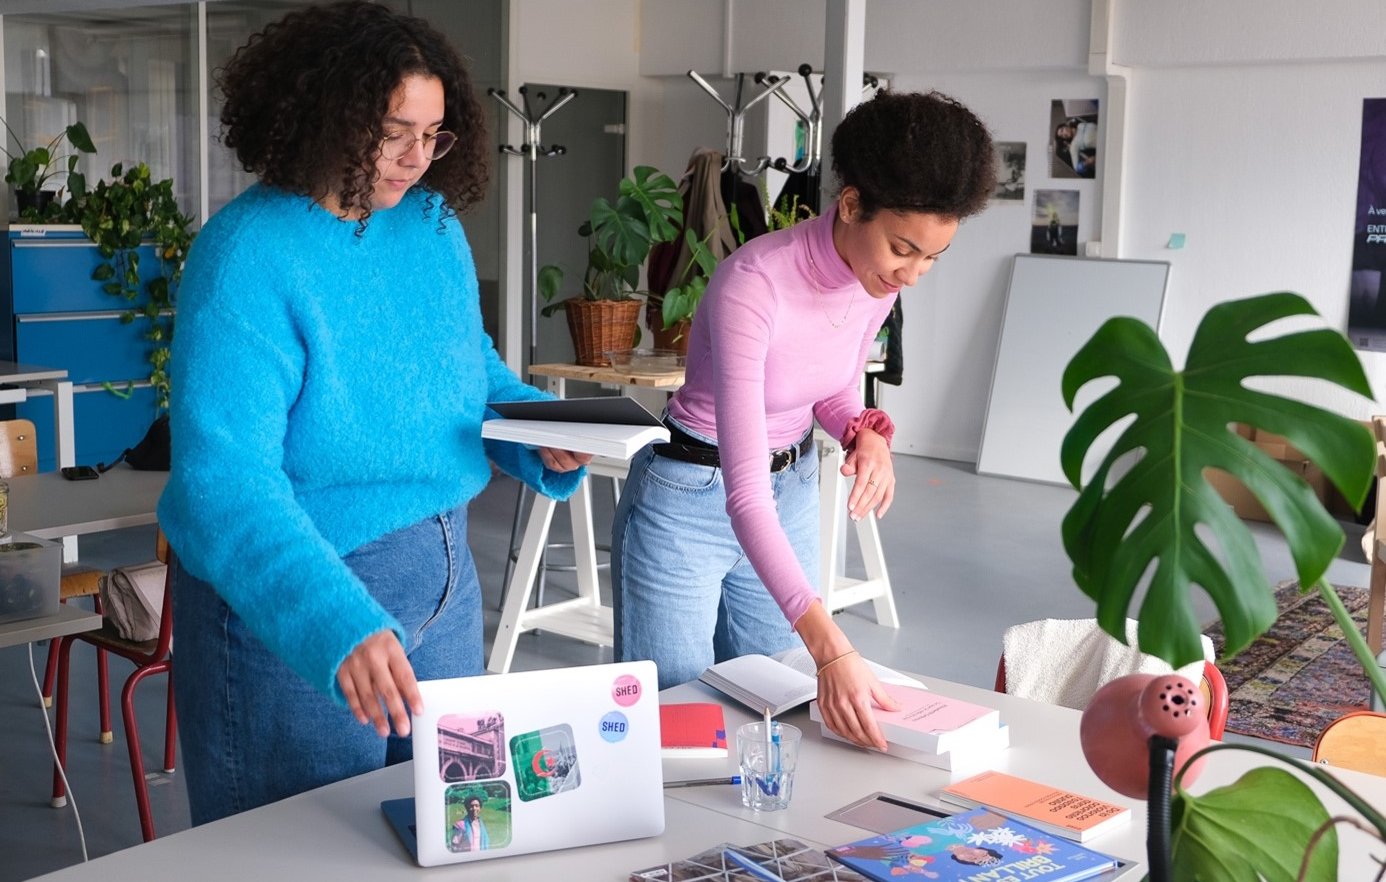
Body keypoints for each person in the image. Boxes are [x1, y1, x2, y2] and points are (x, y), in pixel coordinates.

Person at [158, 1, 590, 825]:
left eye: (435, 135)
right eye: (395, 131)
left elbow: (470, 371)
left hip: (447, 584)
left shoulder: (429, 225)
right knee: (303, 852)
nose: (417, 158)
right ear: (328, 115)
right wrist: (336, 619)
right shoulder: (245, 257)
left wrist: (540, 428)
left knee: (456, 828)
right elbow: (222, 487)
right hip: (300, 599)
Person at [611, 91, 995, 749]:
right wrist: (832, 645)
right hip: (691, 503)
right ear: (850, 205)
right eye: (904, 248)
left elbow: (830, 385)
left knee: (777, 716)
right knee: (673, 725)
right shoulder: (752, 285)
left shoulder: (874, 280)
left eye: (933, 257)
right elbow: (743, 495)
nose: (915, 274)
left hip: (787, 493)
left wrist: (864, 430)